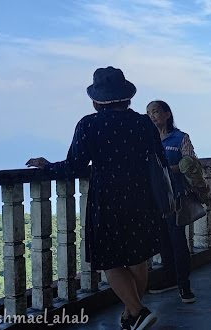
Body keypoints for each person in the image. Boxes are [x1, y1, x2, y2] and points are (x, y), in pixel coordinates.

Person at [26, 66, 161, 330]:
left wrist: (47, 166)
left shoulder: (89, 124)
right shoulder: (144, 122)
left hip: (107, 198)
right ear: (126, 96)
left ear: (97, 99)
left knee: (109, 260)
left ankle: (138, 311)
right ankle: (132, 313)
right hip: (142, 198)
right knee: (137, 258)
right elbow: (158, 161)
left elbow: (74, 166)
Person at [147, 100, 197, 304]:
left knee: (177, 240)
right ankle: (169, 278)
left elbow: (191, 163)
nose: (152, 116)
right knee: (162, 241)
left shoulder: (180, 138)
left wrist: (171, 169)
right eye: (149, 112)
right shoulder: (148, 139)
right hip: (154, 199)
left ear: (167, 114)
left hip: (175, 197)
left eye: (156, 111)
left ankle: (184, 285)